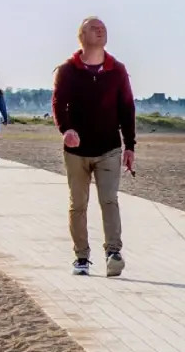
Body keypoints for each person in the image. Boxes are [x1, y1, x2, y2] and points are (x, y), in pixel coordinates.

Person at [52, 17, 135, 277]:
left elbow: (127, 108)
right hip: (76, 151)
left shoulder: (117, 70)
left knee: (109, 199)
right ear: (81, 36)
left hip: (109, 148)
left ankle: (113, 252)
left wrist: (130, 146)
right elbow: (58, 104)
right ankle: (81, 257)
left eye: (103, 28)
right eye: (93, 28)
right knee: (78, 204)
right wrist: (66, 130)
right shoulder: (67, 70)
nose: (100, 30)